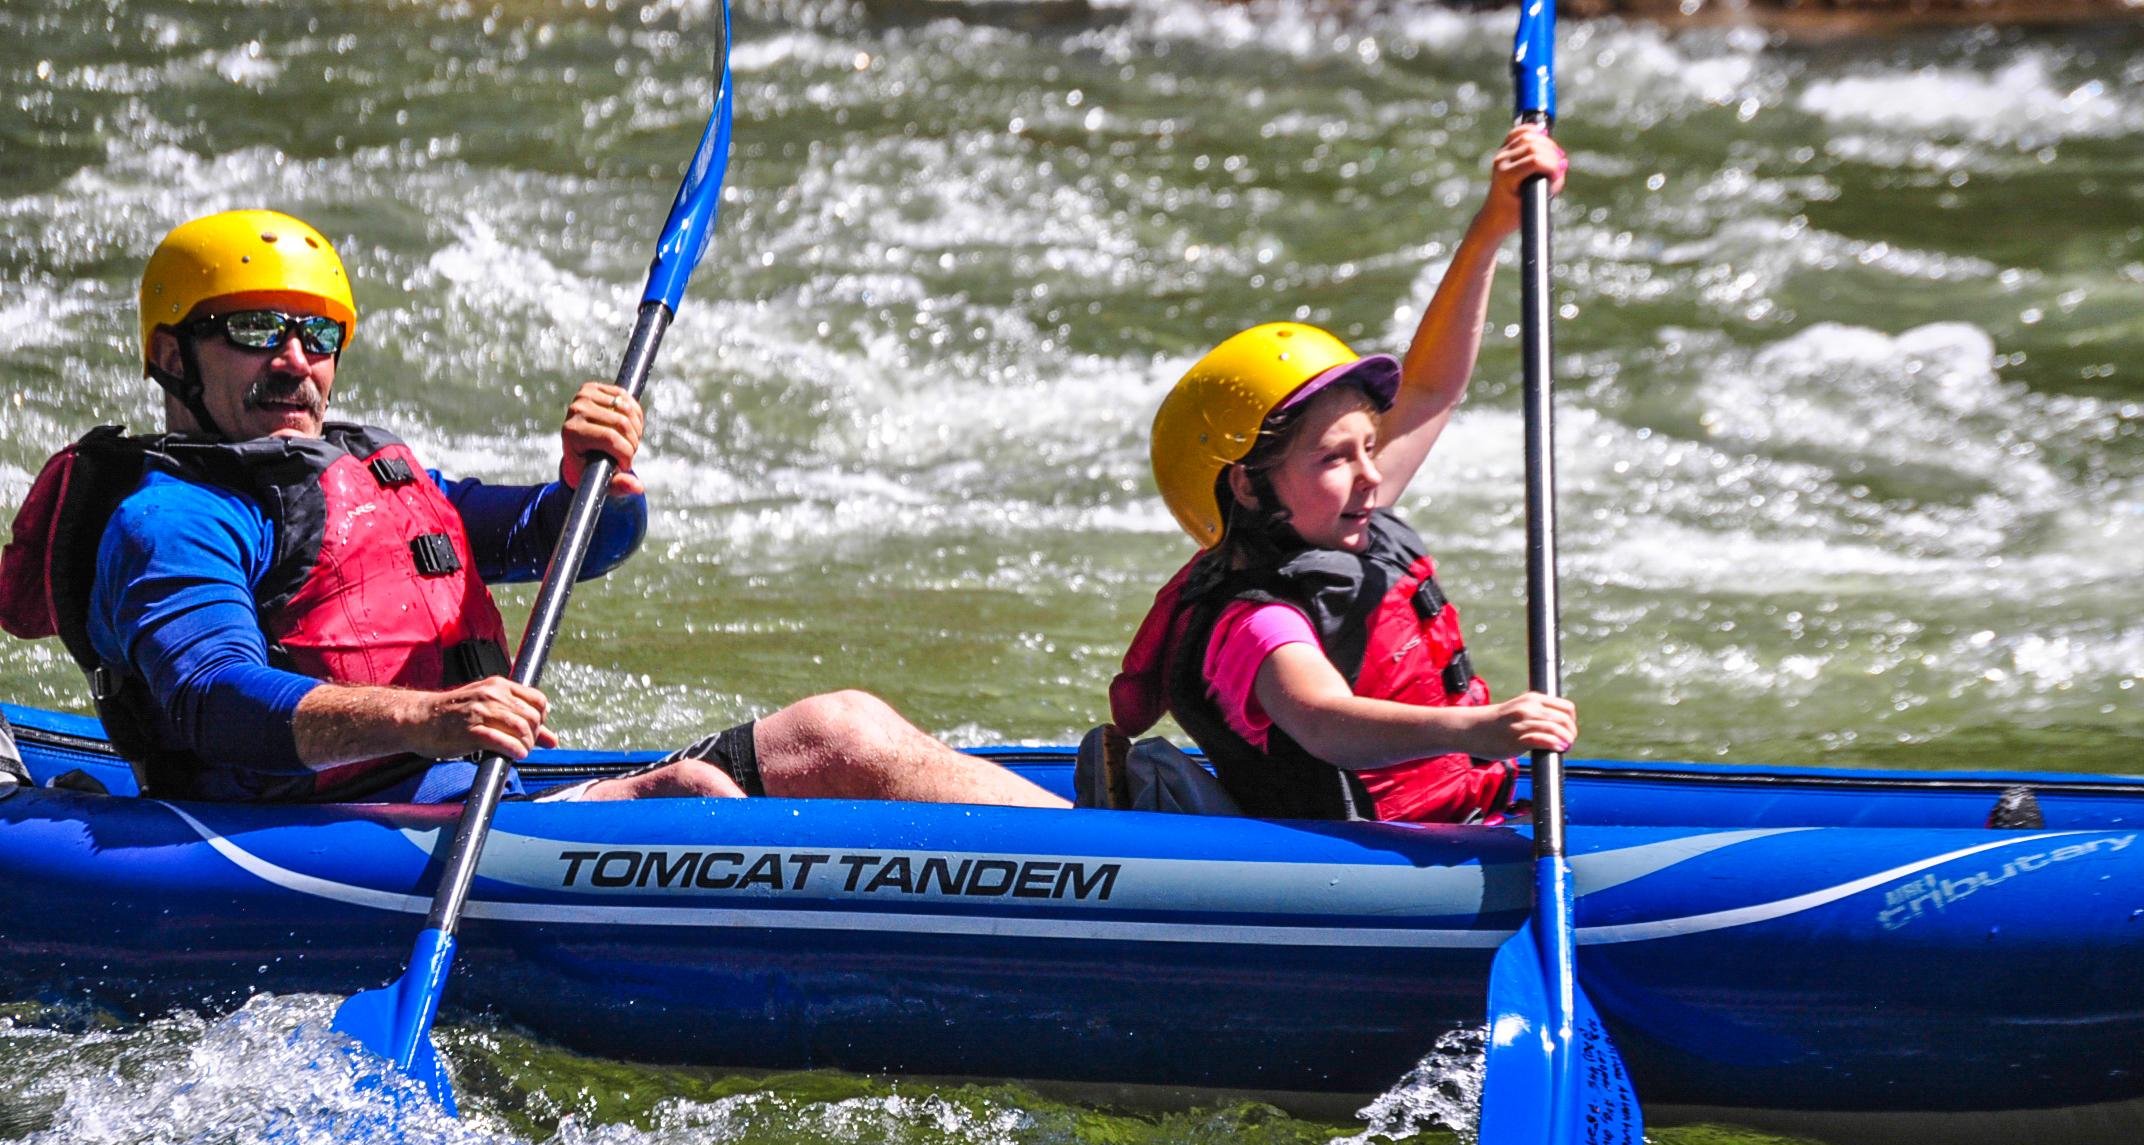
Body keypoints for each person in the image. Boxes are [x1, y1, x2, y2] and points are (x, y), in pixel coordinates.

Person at [0, 210, 1064, 809]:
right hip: (320, 825)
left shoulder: (360, 466)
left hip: (460, 787)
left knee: (843, 730)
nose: (293, 362)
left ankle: (1116, 842)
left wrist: (589, 477)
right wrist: (428, 716)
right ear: (168, 354)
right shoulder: (174, 515)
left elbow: (574, 541)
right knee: (691, 798)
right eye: (255, 330)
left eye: (317, 336)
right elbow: (217, 702)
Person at [1105, 124, 1578, 823]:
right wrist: (1478, 729)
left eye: (1368, 446)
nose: (1371, 477)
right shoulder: (1256, 620)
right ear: (1245, 484)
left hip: (1462, 813)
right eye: (1335, 457)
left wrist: (1493, 223)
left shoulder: (1334, 516)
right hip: (1365, 858)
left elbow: (1430, 391)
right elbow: (1327, 721)